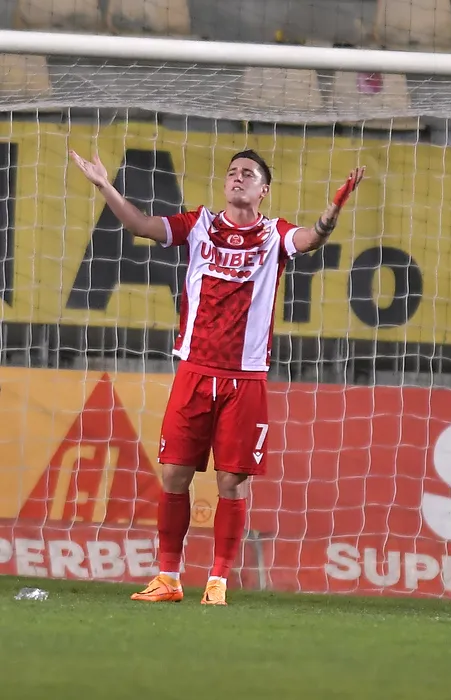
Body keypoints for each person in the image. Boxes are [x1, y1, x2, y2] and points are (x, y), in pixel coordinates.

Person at [70, 148, 364, 606]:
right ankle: (168, 577)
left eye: (248, 173)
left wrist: (332, 213)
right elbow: (141, 225)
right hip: (194, 371)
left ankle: (217, 581)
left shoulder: (273, 234)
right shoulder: (199, 225)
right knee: (173, 474)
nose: (237, 178)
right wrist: (105, 186)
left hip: (244, 378)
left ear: (264, 190)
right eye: (232, 172)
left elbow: (310, 240)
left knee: (232, 482)